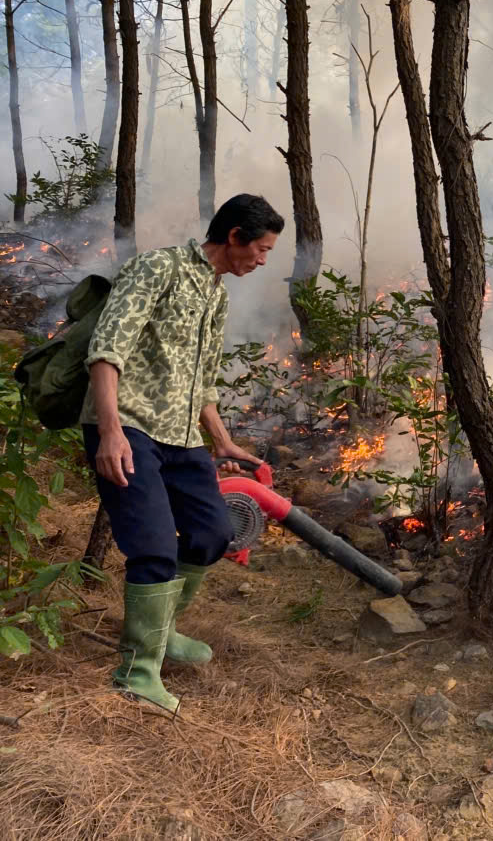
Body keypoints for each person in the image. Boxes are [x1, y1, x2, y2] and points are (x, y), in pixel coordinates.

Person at [83, 194, 285, 711]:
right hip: (130, 429)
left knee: (214, 532)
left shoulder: (215, 295)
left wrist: (222, 441)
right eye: (261, 249)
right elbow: (106, 350)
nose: (263, 260)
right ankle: (137, 672)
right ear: (235, 236)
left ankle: (164, 631)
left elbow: (202, 385)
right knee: (153, 547)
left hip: (183, 436)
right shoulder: (158, 268)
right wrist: (110, 432)